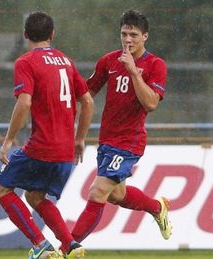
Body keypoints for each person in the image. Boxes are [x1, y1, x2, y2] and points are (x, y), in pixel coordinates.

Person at [0, 11, 94, 259]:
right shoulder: (66, 62)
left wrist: (9, 140)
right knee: (35, 196)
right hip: (64, 151)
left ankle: (40, 245)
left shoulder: (25, 62)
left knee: (1, 188)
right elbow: (88, 101)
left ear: (26, 35)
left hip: (42, 147)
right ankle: (70, 246)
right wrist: (80, 139)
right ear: (52, 35)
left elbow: (24, 101)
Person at [71, 10, 172, 244]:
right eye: (124, 34)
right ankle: (157, 208)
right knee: (117, 195)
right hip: (107, 140)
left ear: (145, 36)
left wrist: (134, 72)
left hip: (130, 142)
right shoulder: (108, 61)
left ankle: (67, 248)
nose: (128, 39)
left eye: (134, 35)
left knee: (97, 191)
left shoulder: (156, 65)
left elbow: (151, 103)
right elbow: (87, 94)